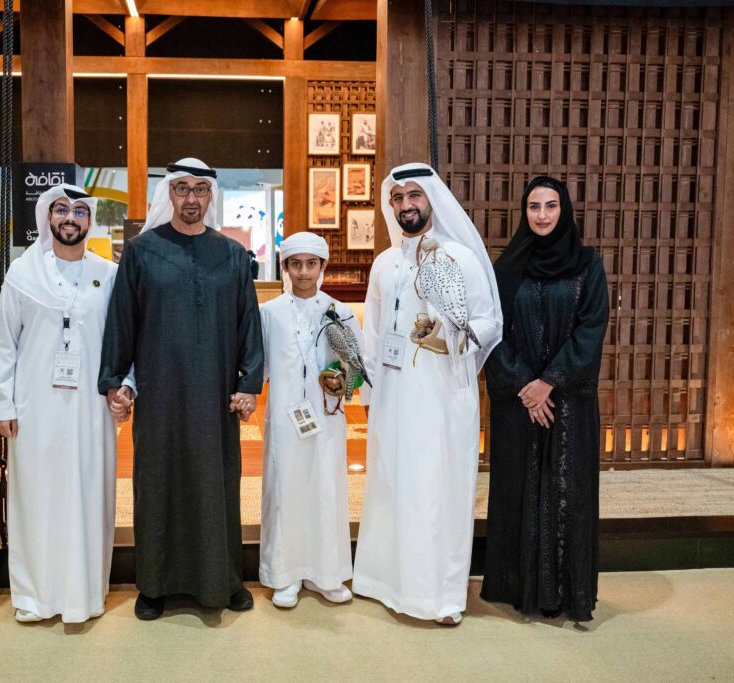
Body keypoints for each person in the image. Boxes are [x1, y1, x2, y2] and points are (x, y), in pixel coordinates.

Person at [98, 157, 264, 620]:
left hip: (214, 397)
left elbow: (248, 324)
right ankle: (154, 585)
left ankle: (224, 581)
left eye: (200, 190)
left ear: (211, 196)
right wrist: (115, 381)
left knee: (217, 483)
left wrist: (249, 383)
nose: (191, 198)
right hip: (160, 391)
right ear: (169, 194)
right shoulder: (141, 251)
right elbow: (122, 321)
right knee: (158, 481)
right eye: (182, 189)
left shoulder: (232, 255)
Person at [353, 162, 502, 626]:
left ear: (431, 200)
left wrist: (446, 340)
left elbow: (488, 322)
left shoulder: (459, 257)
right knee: (392, 483)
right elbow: (372, 334)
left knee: (435, 489)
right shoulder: (384, 263)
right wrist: (366, 394)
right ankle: (386, 582)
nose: (405, 205)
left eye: (414, 196)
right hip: (393, 395)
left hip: (441, 393)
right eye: (397, 198)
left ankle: (438, 596)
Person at [0, 184, 122, 624]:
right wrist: (1, 404)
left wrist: (127, 388)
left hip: (91, 407)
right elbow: (4, 344)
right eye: (61, 209)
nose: (70, 218)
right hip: (34, 406)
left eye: (80, 211)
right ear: (48, 217)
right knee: (37, 495)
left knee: (88, 491)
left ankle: (84, 594)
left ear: (89, 221)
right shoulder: (23, 275)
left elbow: (124, 342)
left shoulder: (108, 273)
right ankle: (35, 596)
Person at [481, 176, 609, 622]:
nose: (541, 215)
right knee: (519, 489)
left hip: (567, 403)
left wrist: (548, 383)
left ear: (564, 209)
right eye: (534, 206)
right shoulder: (505, 267)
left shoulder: (588, 264)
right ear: (524, 211)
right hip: (518, 402)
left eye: (550, 206)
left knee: (564, 491)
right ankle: (519, 589)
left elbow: (591, 329)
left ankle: (565, 594)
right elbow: (490, 331)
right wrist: (524, 385)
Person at [259, 231, 358, 608]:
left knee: (325, 487)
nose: (303, 272)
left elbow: (356, 368)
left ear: (323, 266)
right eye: (295, 264)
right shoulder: (269, 313)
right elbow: (261, 366)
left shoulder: (338, 311)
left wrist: (343, 382)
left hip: (327, 418)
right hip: (285, 418)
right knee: (285, 488)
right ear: (284, 267)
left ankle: (325, 573)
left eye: (311, 264)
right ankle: (285, 575)